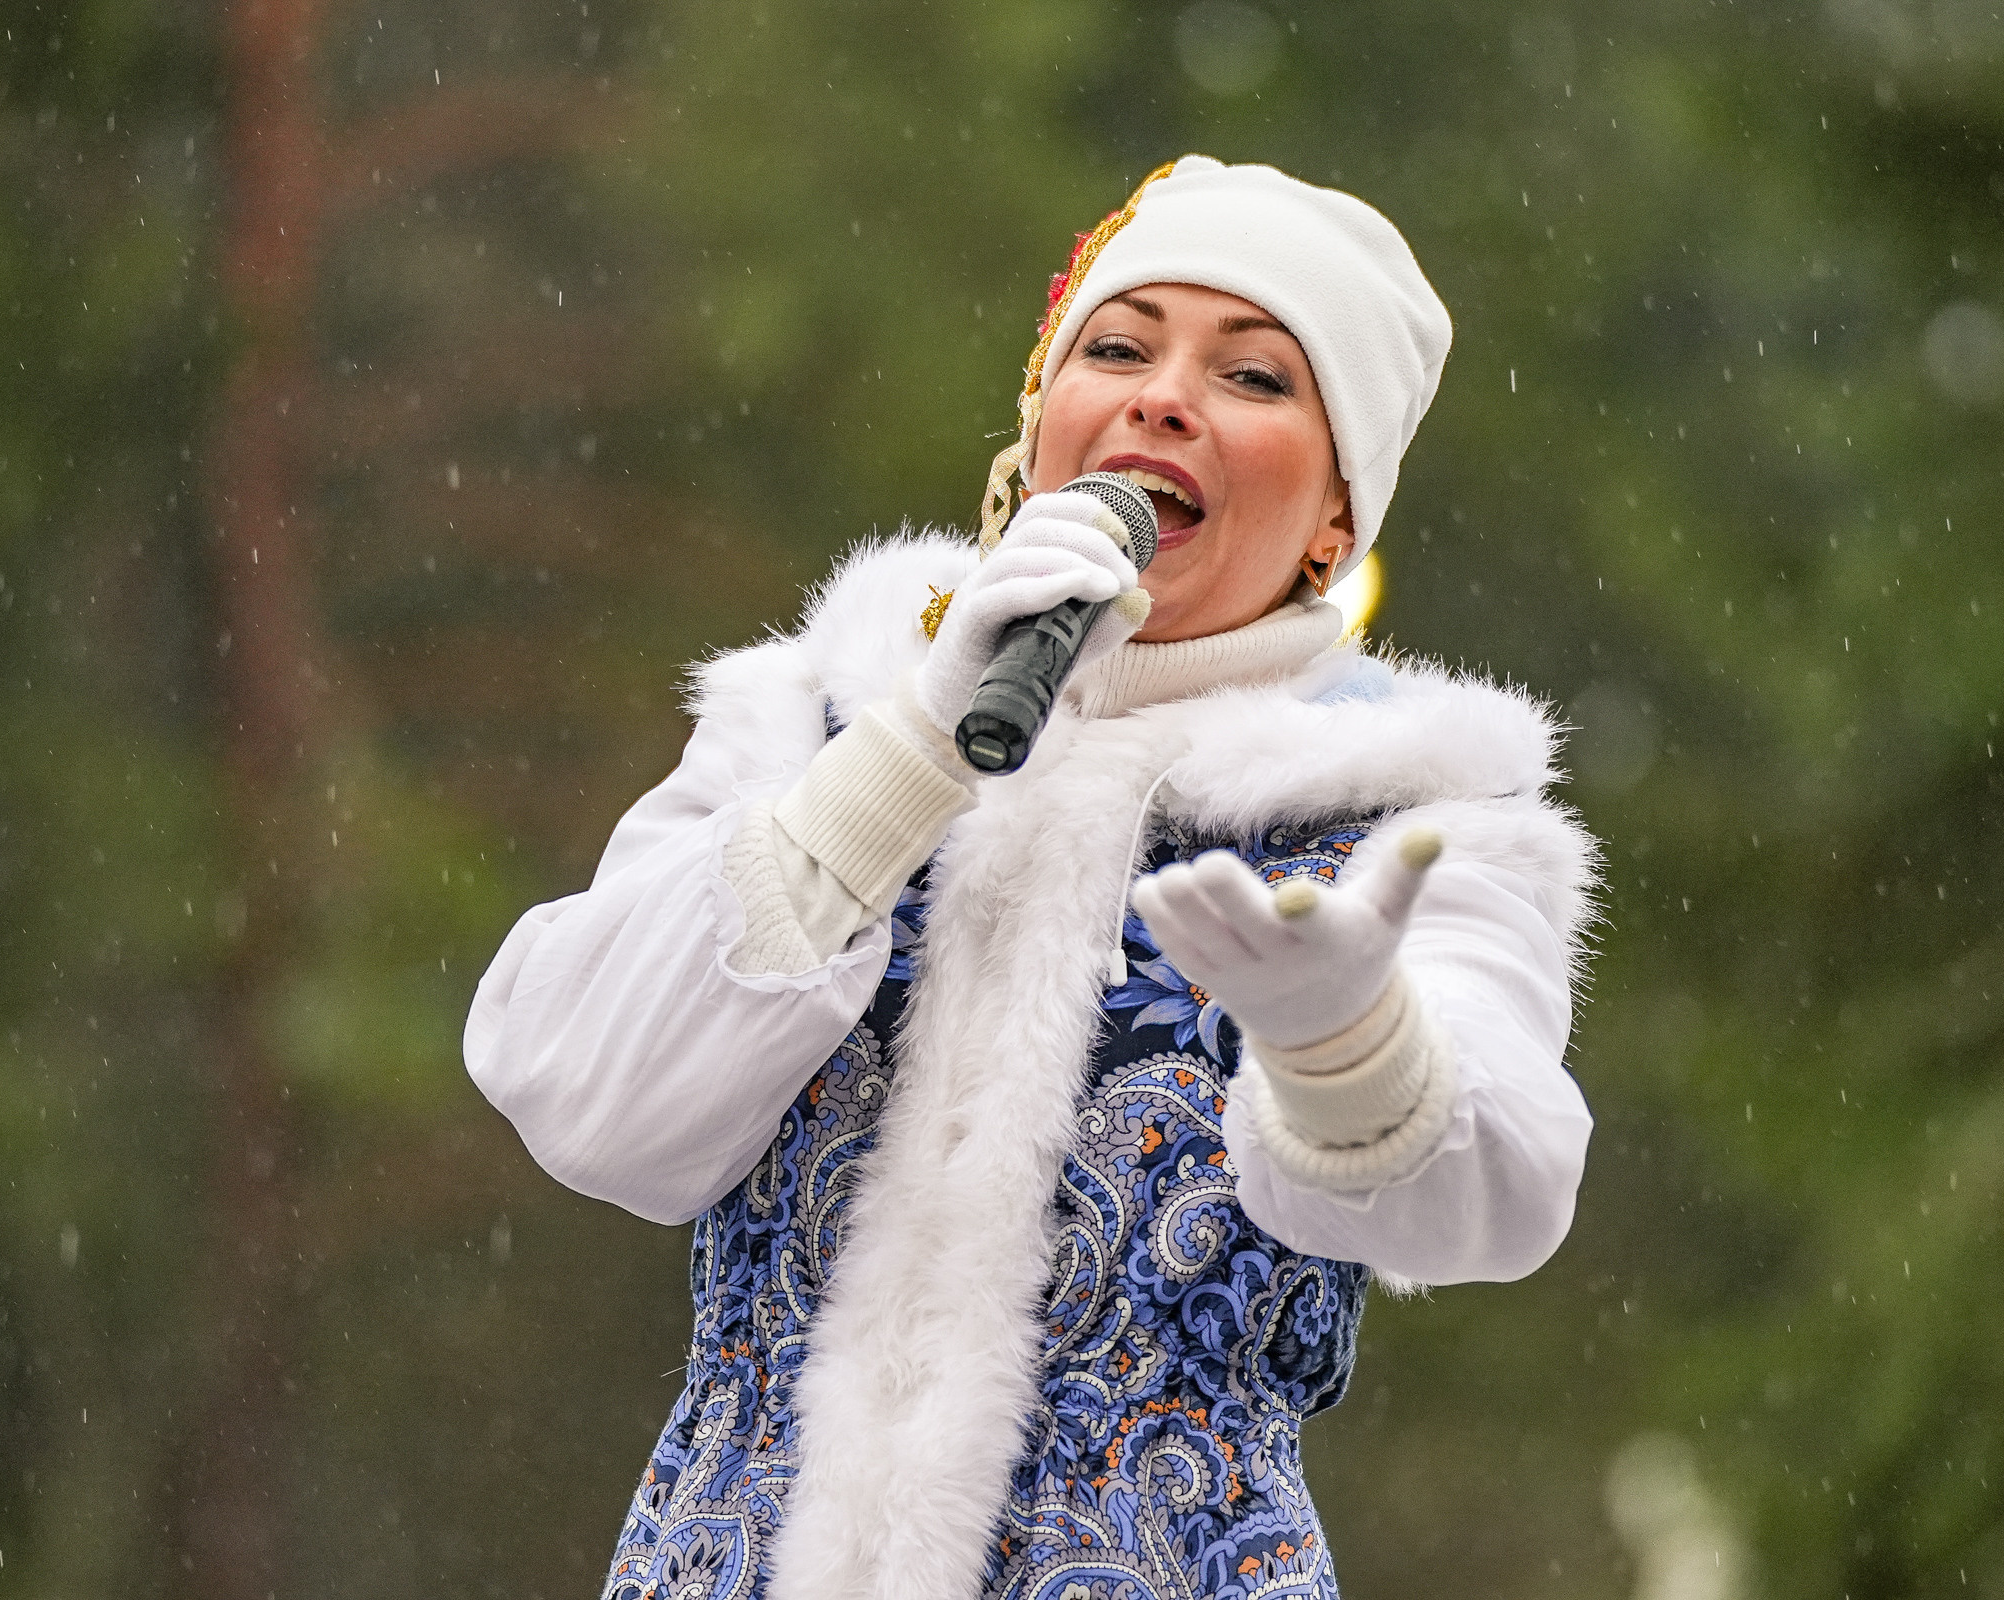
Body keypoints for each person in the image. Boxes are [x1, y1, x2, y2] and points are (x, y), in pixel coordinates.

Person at [465, 155, 1599, 1600]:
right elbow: (583, 1100)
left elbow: (1496, 1200)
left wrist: (1349, 1041)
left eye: (1254, 377)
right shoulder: (807, 722)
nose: (1162, 397)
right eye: (1116, 350)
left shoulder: (1414, 821)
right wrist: (911, 759)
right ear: (1037, 430)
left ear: (1336, 519)